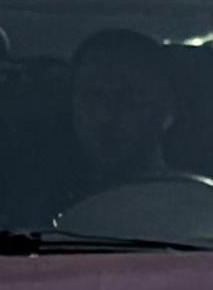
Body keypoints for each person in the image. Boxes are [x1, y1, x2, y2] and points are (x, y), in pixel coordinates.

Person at [68, 29, 187, 186]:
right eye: (92, 96)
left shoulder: (206, 205)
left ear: (167, 106)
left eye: (128, 97)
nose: (105, 115)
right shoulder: (38, 203)